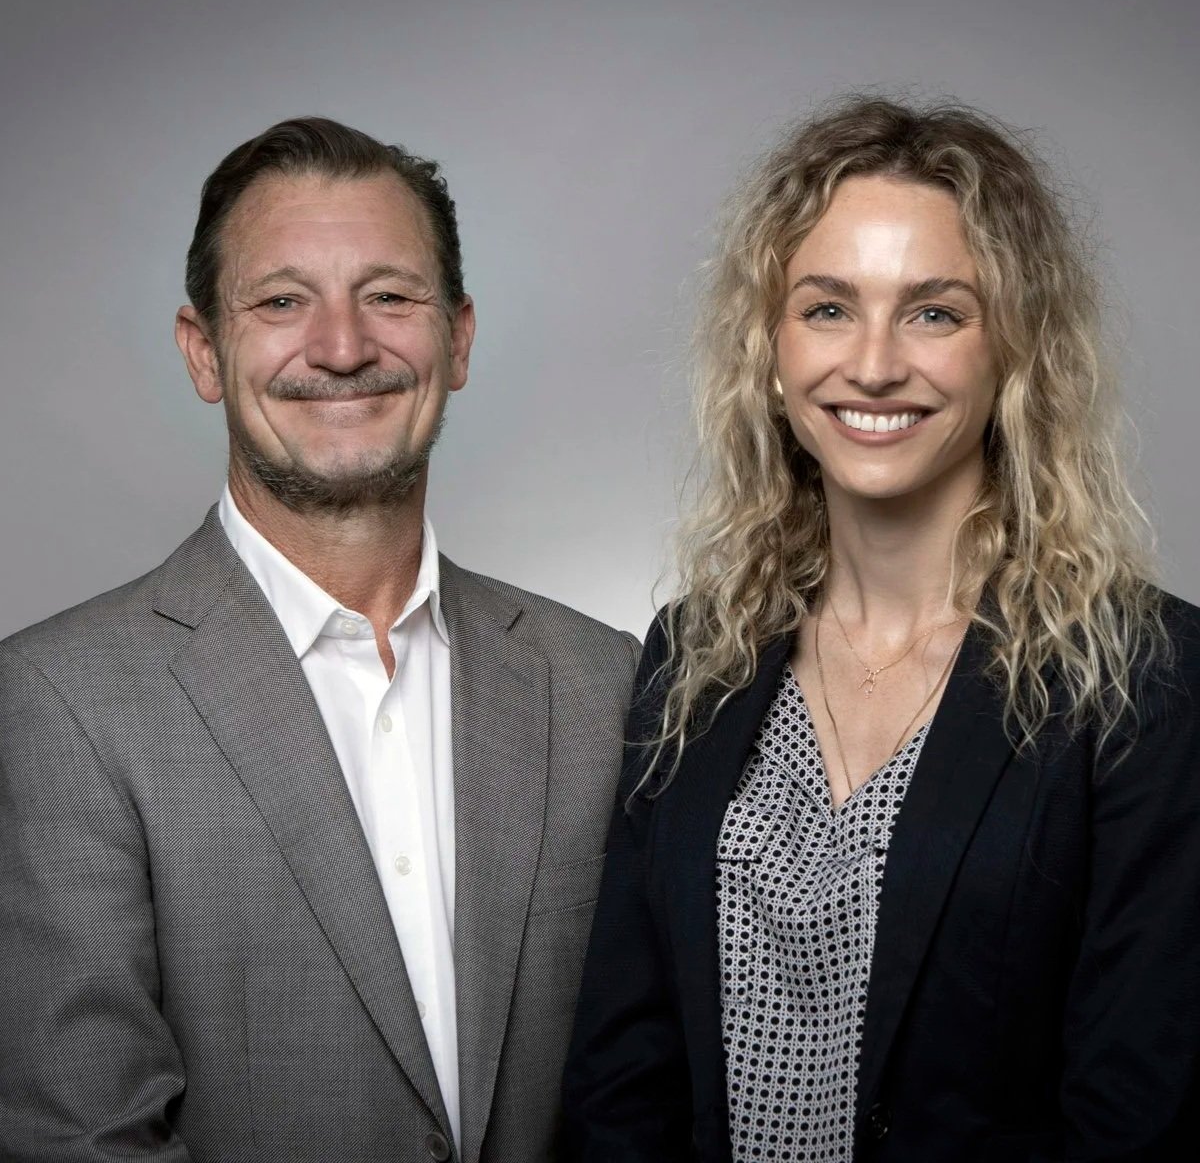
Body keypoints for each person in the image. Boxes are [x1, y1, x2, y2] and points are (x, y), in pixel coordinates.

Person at [562, 96, 1200, 1161]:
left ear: (1015, 353)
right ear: (768, 353)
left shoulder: (1145, 677)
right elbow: (623, 1075)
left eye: (934, 313)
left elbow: (1140, 1115)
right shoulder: (697, 652)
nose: (871, 364)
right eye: (826, 308)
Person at [0, 117, 639, 1163]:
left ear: (460, 339)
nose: (343, 347)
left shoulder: (600, 678)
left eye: (389, 296)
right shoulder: (61, 704)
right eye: (282, 302)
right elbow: (82, 1140)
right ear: (205, 351)